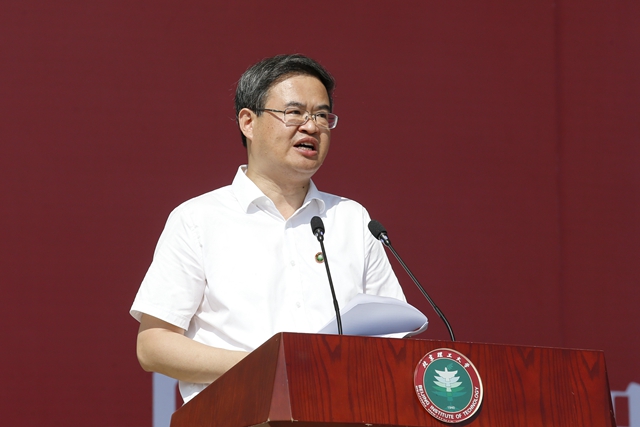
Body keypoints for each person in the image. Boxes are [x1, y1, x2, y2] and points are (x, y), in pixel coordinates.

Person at [130, 54, 406, 403]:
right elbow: (153, 346)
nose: (311, 127)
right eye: (294, 113)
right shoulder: (198, 219)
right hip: (236, 413)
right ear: (248, 122)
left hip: (338, 410)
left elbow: (394, 335)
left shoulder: (352, 219)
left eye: (322, 115)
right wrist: (270, 367)